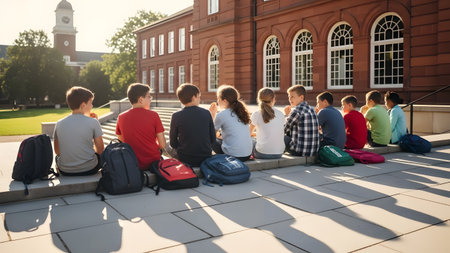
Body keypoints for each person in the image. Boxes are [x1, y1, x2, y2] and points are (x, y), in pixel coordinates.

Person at [53, 86, 104, 176]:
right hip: (90, 168)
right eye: (91, 103)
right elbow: (100, 150)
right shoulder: (93, 122)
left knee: (57, 158)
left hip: (65, 170)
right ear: (83, 105)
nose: (92, 106)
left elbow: (57, 151)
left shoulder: (59, 123)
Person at [115, 83, 166, 170]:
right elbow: (162, 145)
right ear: (141, 99)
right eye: (149, 96)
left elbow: (122, 142)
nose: (151, 99)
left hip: (132, 162)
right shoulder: (153, 115)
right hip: (152, 162)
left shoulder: (121, 117)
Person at [169, 83, 215, 167]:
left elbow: (173, 142)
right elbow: (213, 138)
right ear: (194, 97)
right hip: (205, 156)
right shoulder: (206, 113)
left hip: (185, 158)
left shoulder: (176, 115)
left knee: (167, 144)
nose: (199, 99)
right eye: (199, 97)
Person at [209, 85, 253, 162]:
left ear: (225, 101)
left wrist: (213, 115)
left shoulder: (221, 114)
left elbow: (211, 134)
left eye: (218, 98)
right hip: (247, 155)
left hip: (232, 156)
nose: (217, 101)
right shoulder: (242, 112)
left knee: (210, 139)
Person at [284, 85, 320, 156]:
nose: (290, 99)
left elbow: (284, 129)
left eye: (292, 97)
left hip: (299, 151)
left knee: (279, 136)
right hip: (313, 150)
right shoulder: (311, 109)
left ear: (301, 97)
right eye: (289, 96)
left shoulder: (296, 111)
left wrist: (286, 115)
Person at [249, 88, 285, 159]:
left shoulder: (256, 114)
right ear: (273, 99)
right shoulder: (281, 114)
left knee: (252, 141)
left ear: (259, 99)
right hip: (279, 153)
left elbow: (248, 133)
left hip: (262, 154)